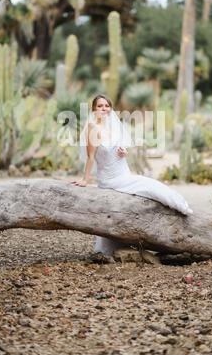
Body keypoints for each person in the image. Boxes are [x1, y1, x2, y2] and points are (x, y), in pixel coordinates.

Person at [70, 94, 193, 257]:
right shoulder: (92, 128)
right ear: (93, 109)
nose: (104, 109)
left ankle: (181, 207)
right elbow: (91, 157)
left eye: (107, 106)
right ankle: (180, 206)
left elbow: (117, 150)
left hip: (123, 172)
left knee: (147, 185)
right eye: (100, 106)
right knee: (147, 185)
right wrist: (85, 180)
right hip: (110, 179)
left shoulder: (112, 126)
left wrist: (122, 152)